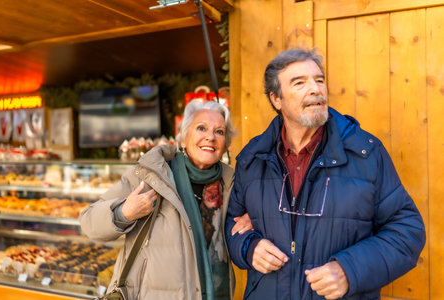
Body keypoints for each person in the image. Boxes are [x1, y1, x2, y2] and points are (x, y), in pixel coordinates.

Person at [225, 48, 426, 299]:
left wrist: (349, 270)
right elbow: (232, 226)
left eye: (319, 80)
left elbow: (407, 231)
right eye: (300, 83)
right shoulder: (252, 158)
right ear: (276, 99)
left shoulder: (366, 153)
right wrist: (248, 247)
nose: (315, 89)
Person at [80, 100, 252, 300]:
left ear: (226, 144)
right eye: (201, 128)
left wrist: (253, 217)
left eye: (219, 132)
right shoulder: (152, 175)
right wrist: (123, 213)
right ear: (184, 138)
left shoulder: (233, 183)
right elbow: (88, 221)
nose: (210, 137)